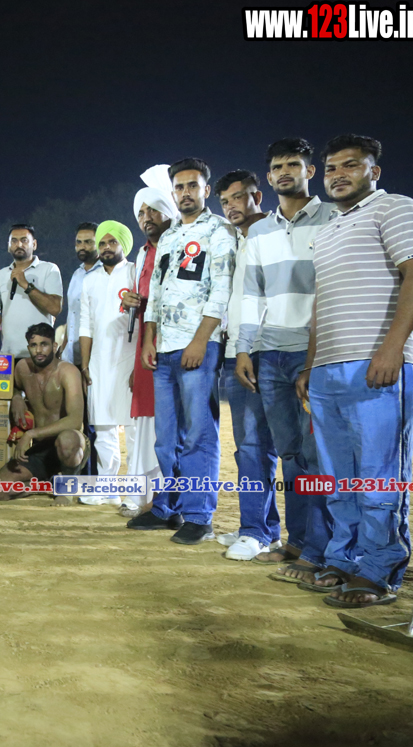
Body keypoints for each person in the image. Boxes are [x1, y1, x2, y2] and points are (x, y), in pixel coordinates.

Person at [298, 134, 413, 607]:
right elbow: (321, 305)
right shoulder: (327, 232)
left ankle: (379, 568)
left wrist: (392, 348)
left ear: (373, 171)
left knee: (378, 475)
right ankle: (344, 557)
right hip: (328, 370)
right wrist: (311, 365)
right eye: (331, 167)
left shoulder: (396, 208)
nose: (338, 174)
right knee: (338, 477)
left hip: (378, 364)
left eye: (350, 165)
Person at [235, 138, 336, 576]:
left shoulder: (334, 219)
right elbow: (251, 294)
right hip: (270, 354)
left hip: (316, 351)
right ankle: (298, 542)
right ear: (269, 176)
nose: (284, 172)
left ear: (310, 171)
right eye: (277, 166)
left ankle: (322, 548)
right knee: (291, 453)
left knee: (318, 453)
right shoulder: (260, 232)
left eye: (293, 164)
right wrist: (244, 347)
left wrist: (317, 354)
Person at [137, 157, 234, 545]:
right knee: (166, 438)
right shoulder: (170, 236)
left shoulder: (219, 230)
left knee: (198, 434)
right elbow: (156, 291)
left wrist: (201, 340)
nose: (186, 193)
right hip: (164, 349)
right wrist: (149, 338)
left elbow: (222, 289)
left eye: (193, 186)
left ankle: (199, 515)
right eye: (179, 187)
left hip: (199, 346)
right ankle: (169, 507)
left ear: (206, 190)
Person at [214, 169, 280, 560]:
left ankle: (256, 532)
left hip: (260, 352)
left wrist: (251, 348)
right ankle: (263, 529)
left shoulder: (272, 234)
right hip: (234, 352)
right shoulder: (235, 240)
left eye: (239, 197)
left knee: (257, 446)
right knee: (249, 447)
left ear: (258, 196)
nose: (231, 206)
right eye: (225, 201)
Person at [122, 167, 177, 517]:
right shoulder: (142, 254)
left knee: (169, 421)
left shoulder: (181, 247)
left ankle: (165, 497)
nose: (146, 218)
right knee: (144, 420)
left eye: (154, 210)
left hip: (173, 343)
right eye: (141, 212)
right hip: (146, 343)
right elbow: (144, 298)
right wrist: (130, 300)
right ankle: (140, 492)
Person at [0, 324, 87, 501]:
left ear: (54, 346)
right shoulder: (23, 368)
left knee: (67, 440)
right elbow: (14, 387)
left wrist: (31, 434)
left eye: (44, 344)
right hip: (41, 448)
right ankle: (48, 484)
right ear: (28, 347)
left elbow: (75, 420)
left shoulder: (68, 372)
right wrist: (16, 397)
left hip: (70, 445)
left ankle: (68, 486)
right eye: (33, 345)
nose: (38, 350)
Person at [77, 221, 138, 507]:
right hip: (99, 363)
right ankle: (107, 488)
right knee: (103, 428)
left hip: (130, 360)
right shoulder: (90, 280)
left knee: (135, 431)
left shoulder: (135, 272)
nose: (106, 248)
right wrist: (85, 364)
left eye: (112, 242)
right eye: (102, 243)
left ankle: (136, 493)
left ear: (124, 244)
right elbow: (85, 326)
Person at [0, 224, 62, 359]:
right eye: (14, 241)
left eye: (24, 240)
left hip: (39, 354)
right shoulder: (0, 275)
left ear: (34, 244)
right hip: (9, 354)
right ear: (8, 246)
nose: (19, 244)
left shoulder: (49, 269)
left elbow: (55, 308)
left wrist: (26, 285)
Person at [58, 223, 100, 366]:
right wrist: (63, 347)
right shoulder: (77, 274)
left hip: (95, 354)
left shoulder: (106, 274)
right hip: (71, 354)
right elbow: (72, 314)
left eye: (88, 242)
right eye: (79, 242)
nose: (82, 247)